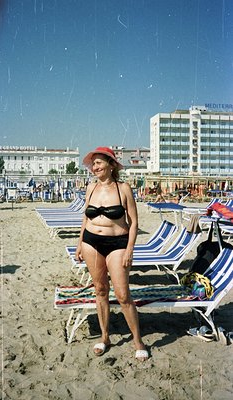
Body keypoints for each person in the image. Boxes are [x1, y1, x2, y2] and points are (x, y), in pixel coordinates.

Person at [75, 146, 148, 361]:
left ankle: (138, 341)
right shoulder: (90, 188)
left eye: (98, 163)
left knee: (123, 295)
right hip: (91, 242)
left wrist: (130, 249)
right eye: (93, 164)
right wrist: (79, 244)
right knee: (100, 290)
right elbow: (85, 219)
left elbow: (134, 222)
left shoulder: (123, 188)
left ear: (111, 164)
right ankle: (105, 337)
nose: (94, 167)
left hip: (117, 243)